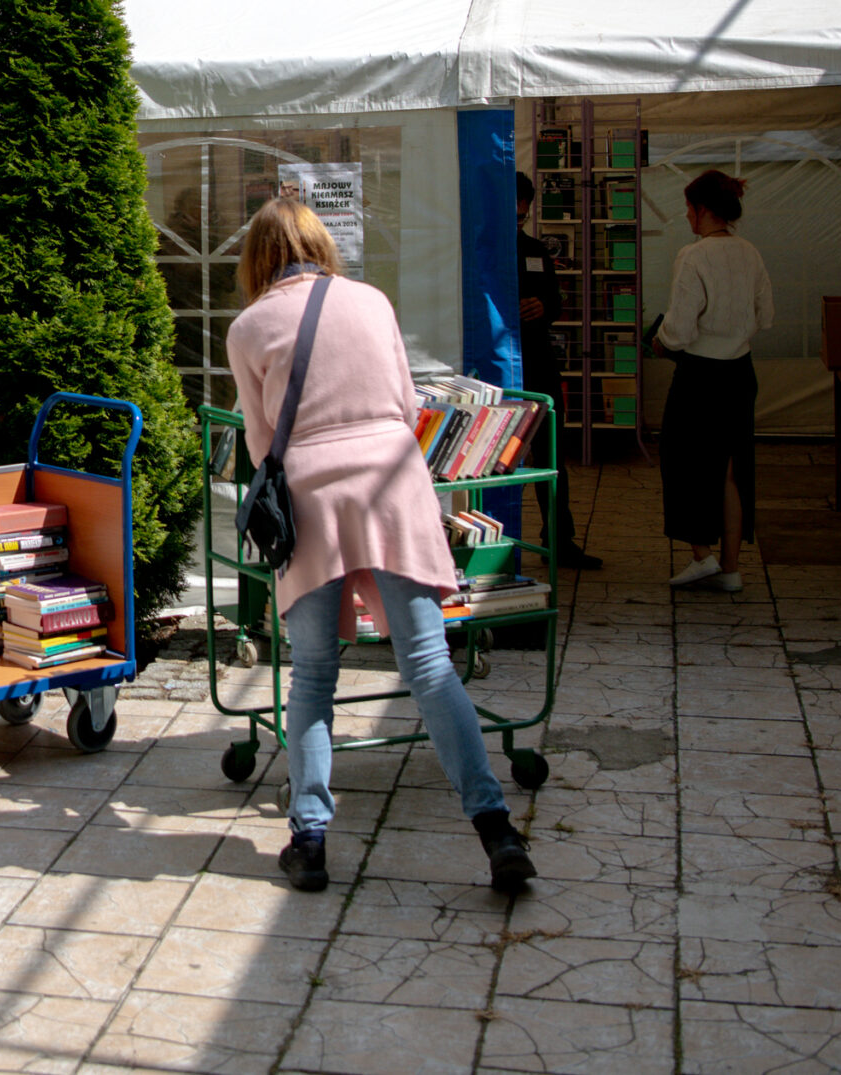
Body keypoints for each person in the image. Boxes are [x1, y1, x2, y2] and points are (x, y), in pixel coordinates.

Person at [224, 197, 536, 895]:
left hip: (311, 495)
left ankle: (310, 839)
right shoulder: (371, 301)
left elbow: (261, 442)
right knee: (429, 664)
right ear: (319, 244)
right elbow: (405, 402)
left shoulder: (247, 328)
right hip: (392, 482)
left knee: (312, 675)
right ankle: (495, 828)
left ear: (256, 260)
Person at [654, 170, 773, 591]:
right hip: (740, 371)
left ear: (702, 209)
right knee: (730, 470)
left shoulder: (694, 256)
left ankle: (701, 554)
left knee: (682, 463)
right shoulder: (750, 252)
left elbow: (680, 328)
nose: (687, 216)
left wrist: (661, 340)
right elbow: (765, 315)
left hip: (699, 375)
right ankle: (731, 568)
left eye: (689, 208)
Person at [516, 173, 601, 571]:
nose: (519, 217)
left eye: (524, 212)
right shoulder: (480, 248)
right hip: (501, 364)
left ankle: (560, 539)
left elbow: (555, 301)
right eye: (514, 211)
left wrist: (543, 307)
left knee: (550, 453)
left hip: (538, 362)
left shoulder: (536, 250)